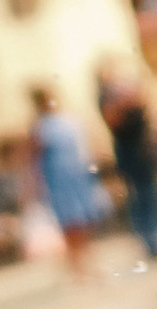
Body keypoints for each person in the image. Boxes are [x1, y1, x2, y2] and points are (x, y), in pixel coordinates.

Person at [28, 85, 114, 283]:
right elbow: (35, 159)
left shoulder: (68, 121)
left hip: (77, 175)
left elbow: (84, 147)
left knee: (86, 221)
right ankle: (78, 268)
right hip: (58, 180)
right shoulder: (40, 127)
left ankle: (89, 263)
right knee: (70, 224)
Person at [99, 61, 157, 264]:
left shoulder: (123, 94)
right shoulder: (106, 97)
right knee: (141, 197)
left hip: (143, 150)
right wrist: (126, 103)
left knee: (154, 195)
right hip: (130, 153)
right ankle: (150, 243)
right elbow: (113, 120)